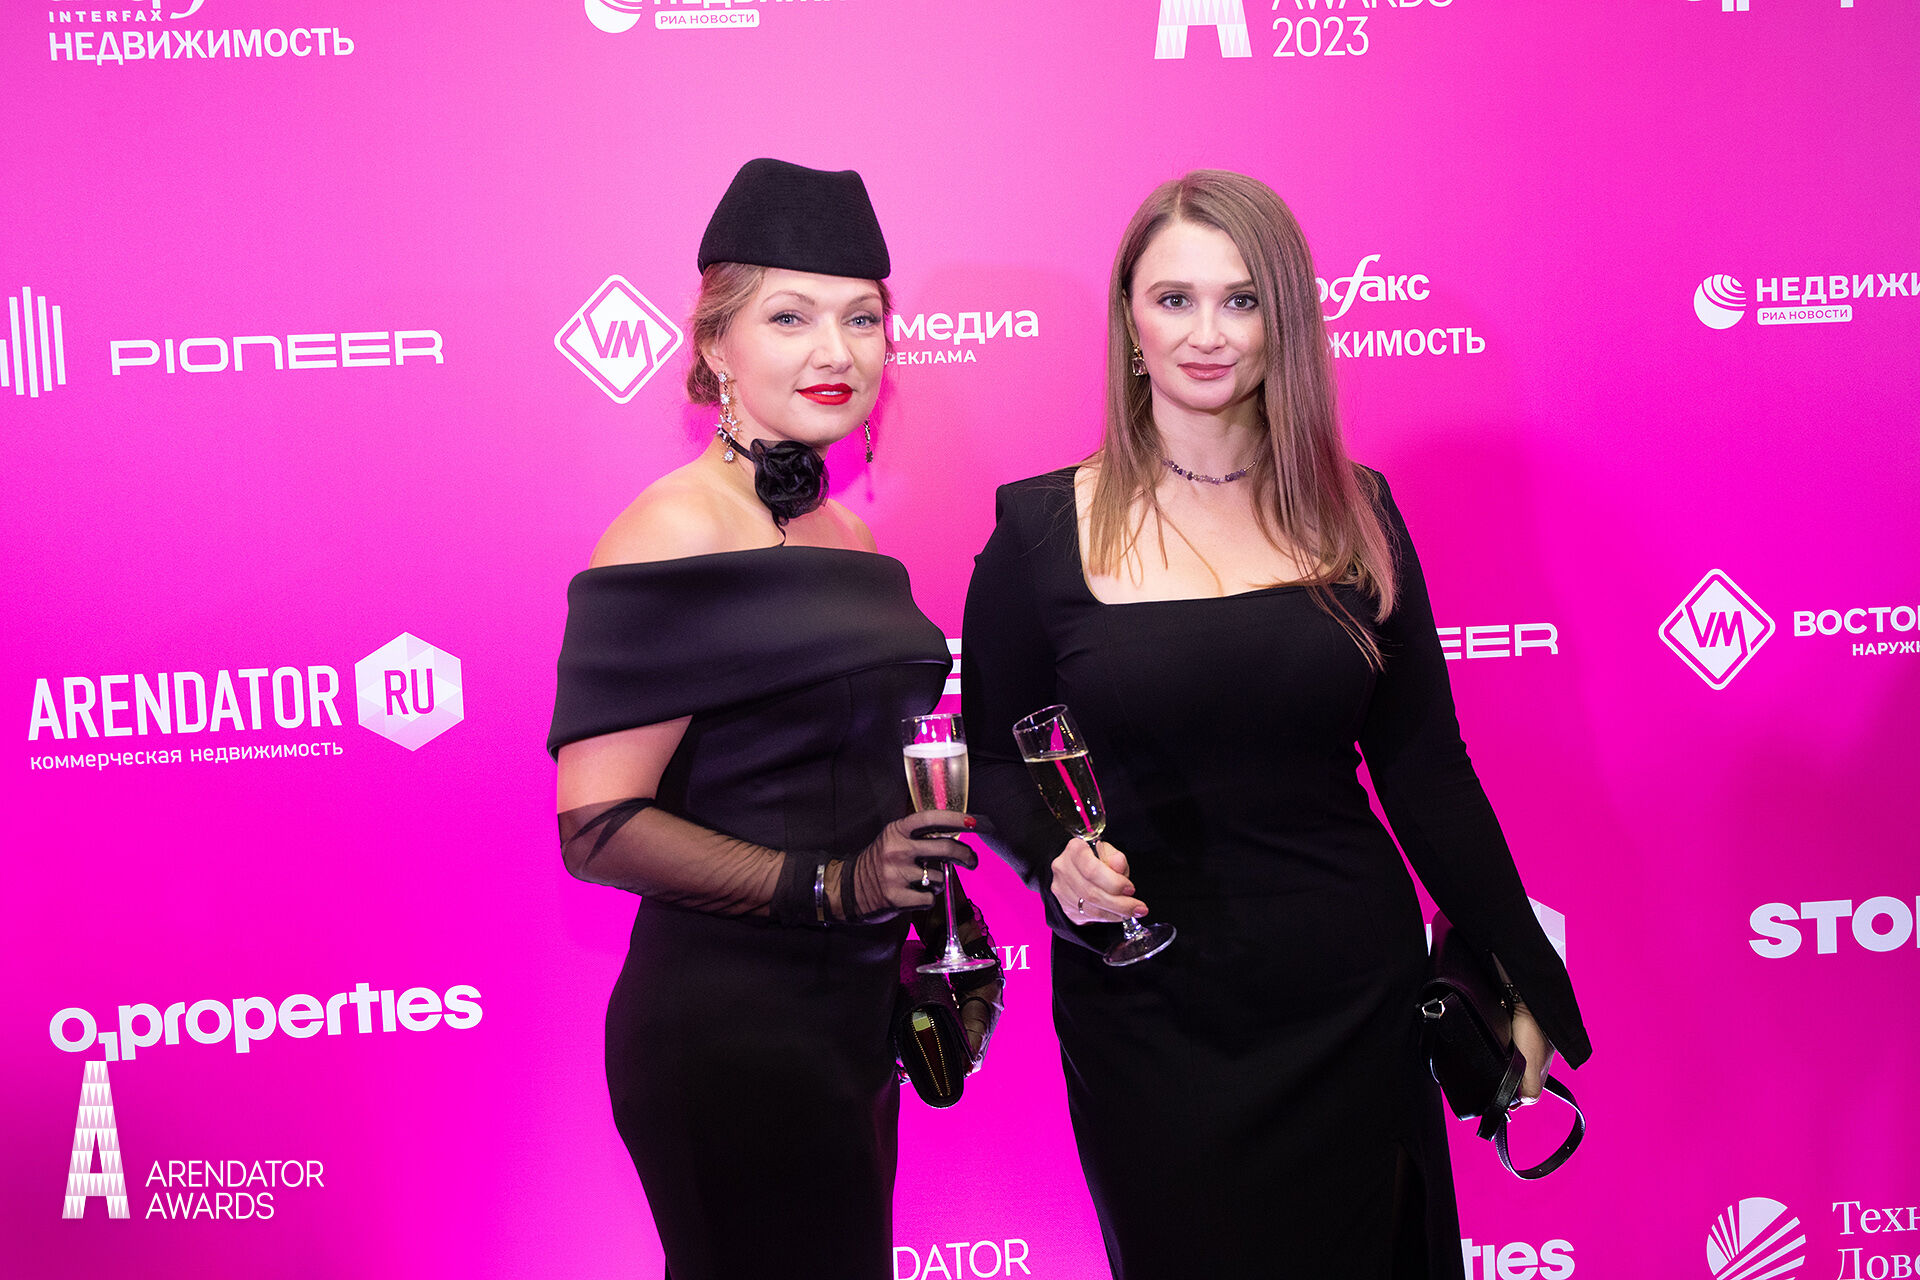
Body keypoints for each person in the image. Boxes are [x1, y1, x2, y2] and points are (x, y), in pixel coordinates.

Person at [960, 170, 1590, 1279]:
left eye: (1242, 300)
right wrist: (1055, 862)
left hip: (1351, 991)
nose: (1207, 333)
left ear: (1286, 319)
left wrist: (1523, 968)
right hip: (1148, 1005)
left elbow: (1425, 767)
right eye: (1175, 298)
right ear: (1129, 320)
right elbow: (991, 756)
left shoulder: (1357, 510)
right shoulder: (1039, 528)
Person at [548, 158, 998, 1280]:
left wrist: (928, 911)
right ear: (716, 346)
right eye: (790, 317)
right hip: (730, 1029)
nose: (835, 351)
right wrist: (833, 885)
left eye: (861, 318)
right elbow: (596, 826)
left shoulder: (847, 534)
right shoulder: (672, 529)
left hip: (848, 1017)